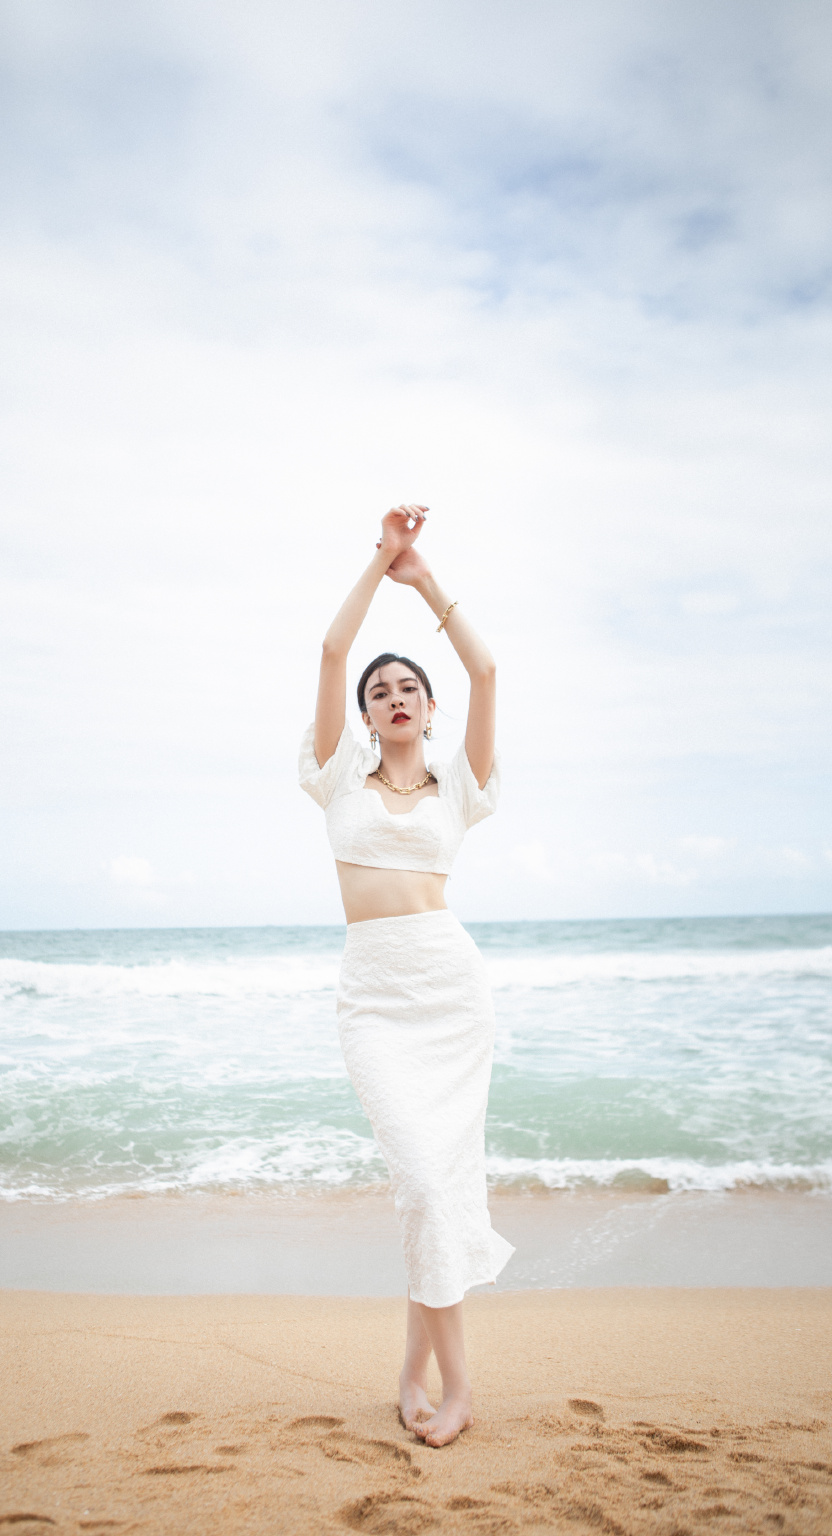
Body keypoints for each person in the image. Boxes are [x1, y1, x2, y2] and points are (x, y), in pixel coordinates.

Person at [299, 503, 514, 1448]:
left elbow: (488, 668)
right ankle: (439, 1378)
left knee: (442, 1187)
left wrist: (423, 579)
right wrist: (377, 559)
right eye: (380, 689)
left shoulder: (459, 786)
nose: (392, 695)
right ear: (362, 715)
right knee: (423, 1182)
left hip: (451, 992)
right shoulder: (334, 778)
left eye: (407, 689)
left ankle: (435, 1380)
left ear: (428, 710)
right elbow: (330, 649)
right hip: (376, 999)